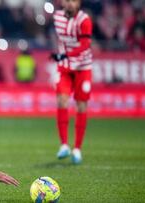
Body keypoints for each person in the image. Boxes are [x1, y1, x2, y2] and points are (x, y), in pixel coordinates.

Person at [50, 0, 93, 164]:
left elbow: (85, 44)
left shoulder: (84, 20)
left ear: (79, 3)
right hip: (65, 68)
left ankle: (77, 149)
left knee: (81, 105)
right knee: (61, 100)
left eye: (73, 1)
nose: (69, 4)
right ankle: (64, 145)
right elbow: (61, 40)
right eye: (67, 0)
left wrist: (65, 55)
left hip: (83, 67)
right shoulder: (57, 17)